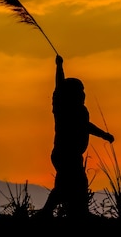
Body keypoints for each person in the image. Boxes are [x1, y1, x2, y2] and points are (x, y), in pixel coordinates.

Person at [37, 54, 114, 218]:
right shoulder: (63, 108)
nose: (83, 95)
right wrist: (59, 67)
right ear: (71, 94)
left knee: (75, 185)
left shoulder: (80, 110)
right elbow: (59, 87)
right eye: (79, 91)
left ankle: (76, 212)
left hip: (73, 155)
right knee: (68, 184)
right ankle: (48, 213)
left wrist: (104, 135)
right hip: (65, 154)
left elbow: (86, 126)